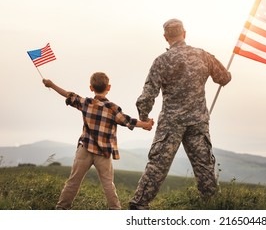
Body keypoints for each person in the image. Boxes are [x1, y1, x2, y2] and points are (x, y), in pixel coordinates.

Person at [129, 19, 231, 210]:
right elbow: (223, 78)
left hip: (171, 123)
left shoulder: (161, 61)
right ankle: (211, 205)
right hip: (198, 121)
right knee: (204, 165)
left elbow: (148, 93)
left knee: (158, 164)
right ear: (185, 33)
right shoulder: (203, 55)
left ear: (166, 37)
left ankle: (139, 204)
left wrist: (143, 117)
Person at [43, 72, 154, 210]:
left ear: (91, 88)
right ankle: (115, 210)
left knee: (73, 181)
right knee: (108, 184)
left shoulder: (86, 103)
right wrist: (146, 124)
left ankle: (62, 208)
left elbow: (68, 94)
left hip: (85, 149)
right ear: (109, 87)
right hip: (103, 152)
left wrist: (51, 84)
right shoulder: (112, 109)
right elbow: (128, 121)